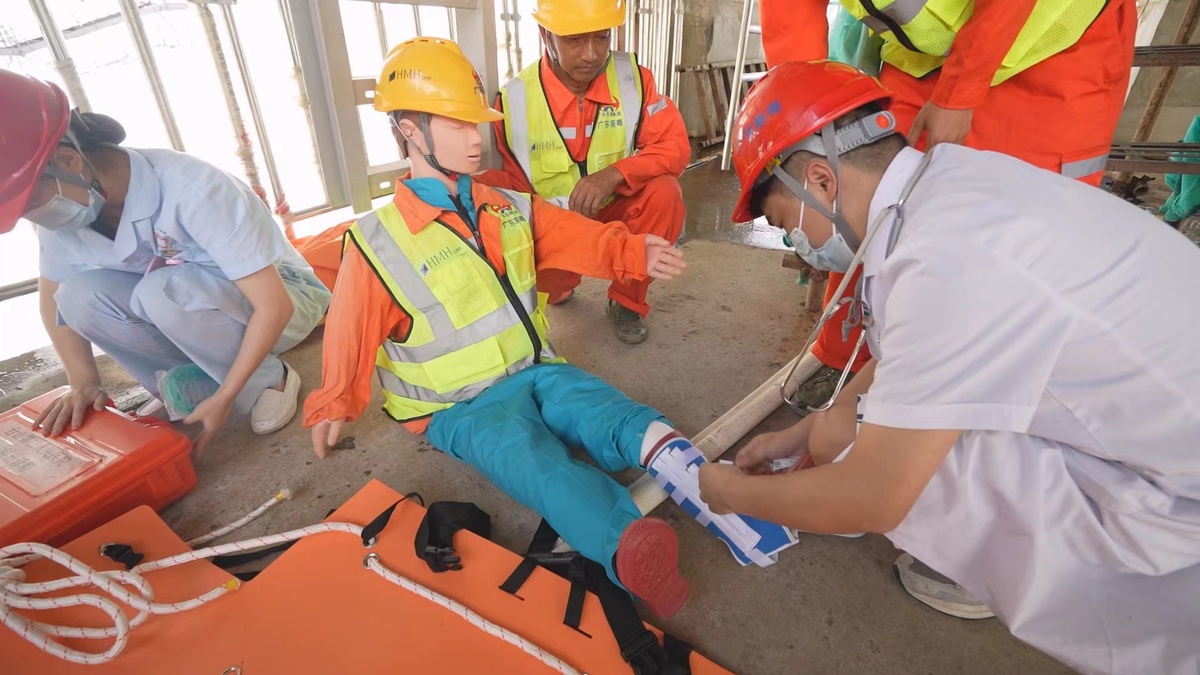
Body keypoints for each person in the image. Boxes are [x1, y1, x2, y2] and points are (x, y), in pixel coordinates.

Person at [699, 61, 1200, 674]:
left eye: (784, 224)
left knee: (890, 461)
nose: (796, 244)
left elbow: (874, 498)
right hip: (1163, 418)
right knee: (841, 429)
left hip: (1181, 496)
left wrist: (732, 491)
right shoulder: (947, 185)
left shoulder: (944, 261)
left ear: (822, 181)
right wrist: (799, 433)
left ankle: (1084, 594)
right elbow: (905, 356)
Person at [302, 37, 707, 616]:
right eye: (458, 125)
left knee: (598, 404)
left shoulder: (506, 205)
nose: (476, 139)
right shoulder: (377, 244)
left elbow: (573, 235)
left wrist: (631, 253)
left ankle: (671, 454)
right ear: (410, 131)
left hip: (534, 367)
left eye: (478, 124)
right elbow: (350, 327)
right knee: (534, 465)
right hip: (458, 407)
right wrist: (335, 399)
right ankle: (627, 545)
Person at [757, 0, 1136, 404]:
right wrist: (804, 129)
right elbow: (789, 12)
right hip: (921, 54)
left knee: (1006, 251)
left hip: (1051, 47)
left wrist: (960, 92)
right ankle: (850, 361)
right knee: (875, 203)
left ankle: (974, 397)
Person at [0, 69, 330, 450]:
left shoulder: (193, 188)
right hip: (198, 314)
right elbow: (52, 296)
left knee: (160, 290)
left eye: (29, 202)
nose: (33, 217)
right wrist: (83, 380)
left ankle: (269, 379)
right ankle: (192, 374)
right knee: (79, 296)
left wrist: (229, 397)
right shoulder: (66, 213)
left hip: (281, 301)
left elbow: (274, 306)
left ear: (69, 161)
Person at [480, 0, 690, 344]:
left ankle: (626, 300)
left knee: (664, 192)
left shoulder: (633, 79)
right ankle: (559, 286)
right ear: (545, 34)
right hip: (556, 223)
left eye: (602, 37)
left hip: (613, 207)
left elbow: (674, 147)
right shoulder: (514, 101)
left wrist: (614, 175)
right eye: (575, 40)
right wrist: (558, 228)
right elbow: (512, 195)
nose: (591, 54)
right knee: (541, 277)